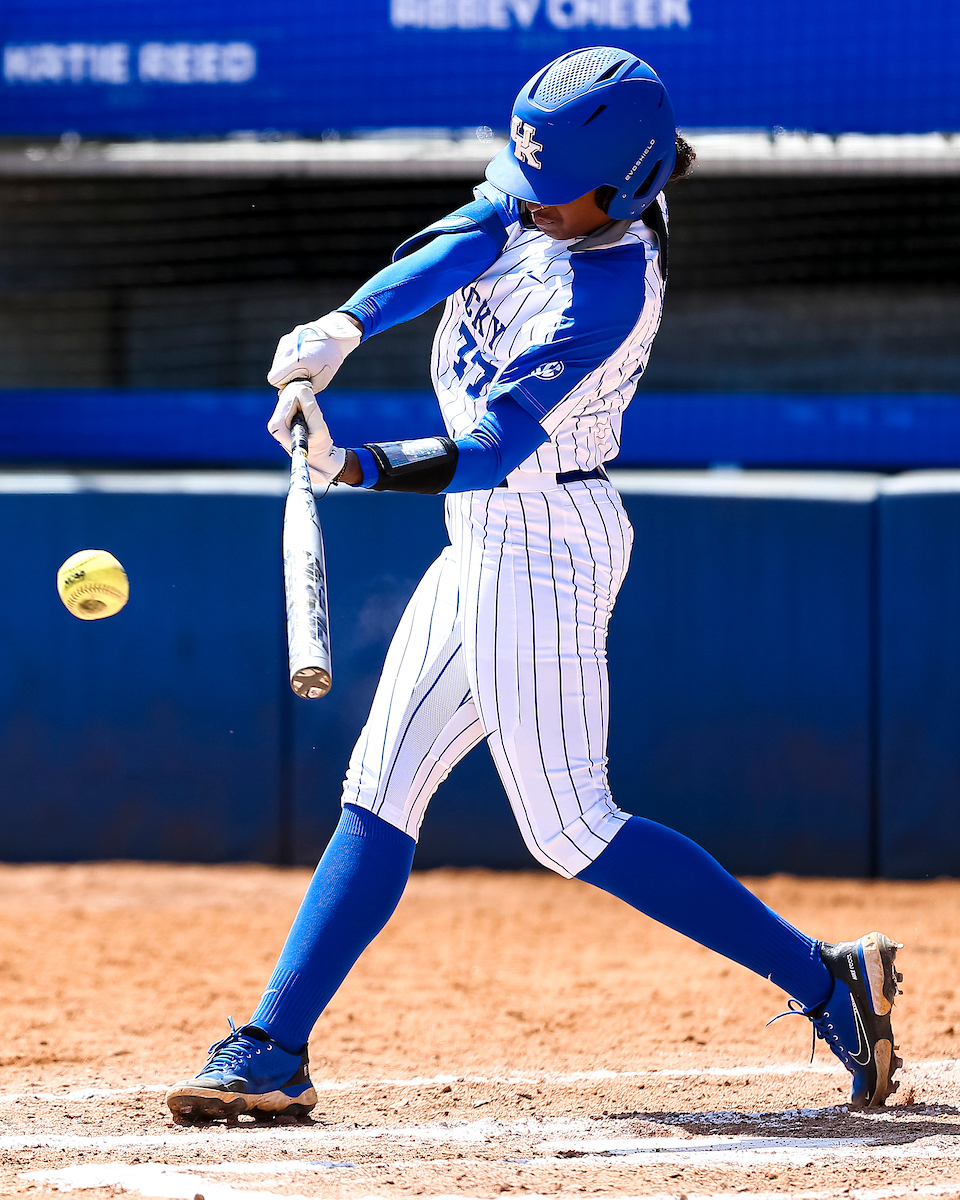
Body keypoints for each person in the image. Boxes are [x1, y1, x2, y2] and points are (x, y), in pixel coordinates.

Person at [166, 47, 901, 1122]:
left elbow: (495, 448)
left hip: (544, 537)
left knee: (569, 827)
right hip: (483, 536)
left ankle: (827, 984)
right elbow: (466, 232)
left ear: (627, 187)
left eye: (555, 194)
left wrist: (354, 465)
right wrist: (344, 326)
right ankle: (274, 1047)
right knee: (381, 786)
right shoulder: (548, 193)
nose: (530, 203)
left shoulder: (611, 287)